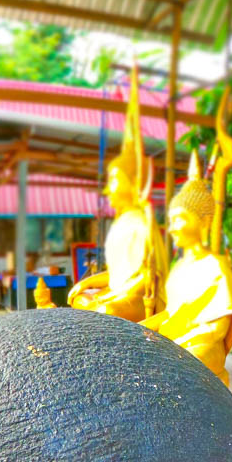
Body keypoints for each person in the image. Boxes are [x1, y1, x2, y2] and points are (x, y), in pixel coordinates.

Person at [68, 66, 168, 320]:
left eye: (113, 180)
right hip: (120, 293)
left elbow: (146, 277)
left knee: (107, 311)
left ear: (133, 183)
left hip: (139, 298)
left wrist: (110, 297)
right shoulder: (122, 223)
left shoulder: (141, 223)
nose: (107, 189)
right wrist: (88, 282)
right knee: (80, 298)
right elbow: (118, 274)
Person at [142, 153, 232, 385]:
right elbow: (172, 314)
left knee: (182, 363)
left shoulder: (215, 266)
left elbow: (217, 329)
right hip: (175, 340)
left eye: (180, 219)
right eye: (171, 221)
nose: (172, 228)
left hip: (202, 346)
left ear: (204, 222)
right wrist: (137, 329)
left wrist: (174, 345)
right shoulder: (179, 268)